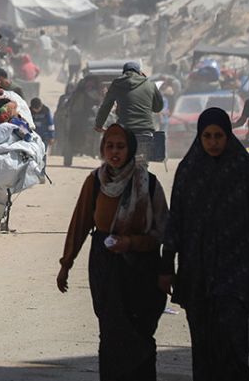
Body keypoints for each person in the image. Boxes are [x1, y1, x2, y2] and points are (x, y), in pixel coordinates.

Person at [164, 108, 249, 380]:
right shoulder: (189, 170)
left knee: (233, 347)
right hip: (198, 272)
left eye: (219, 136)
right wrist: (166, 264)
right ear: (200, 136)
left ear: (228, 136)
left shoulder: (244, 168)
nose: (213, 142)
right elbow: (176, 221)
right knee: (203, 348)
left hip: (238, 271)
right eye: (207, 136)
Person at [58, 124, 168, 381]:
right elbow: (81, 223)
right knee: (111, 331)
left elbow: (163, 231)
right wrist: (66, 264)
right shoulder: (95, 182)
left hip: (142, 269)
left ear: (131, 149)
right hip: (105, 266)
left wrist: (131, 244)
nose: (115, 152)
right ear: (102, 149)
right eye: (110, 146)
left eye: (121, 146)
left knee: (140, 332)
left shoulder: (148, 183)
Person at [93, 62, 165, 162]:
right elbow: (158, 108)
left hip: (124, 131)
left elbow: (106, 106)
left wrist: (99, 125)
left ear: (124, 73)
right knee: (144, 161)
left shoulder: (117, 83)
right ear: (139, 72)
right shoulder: (150, 84)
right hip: (146, 131)